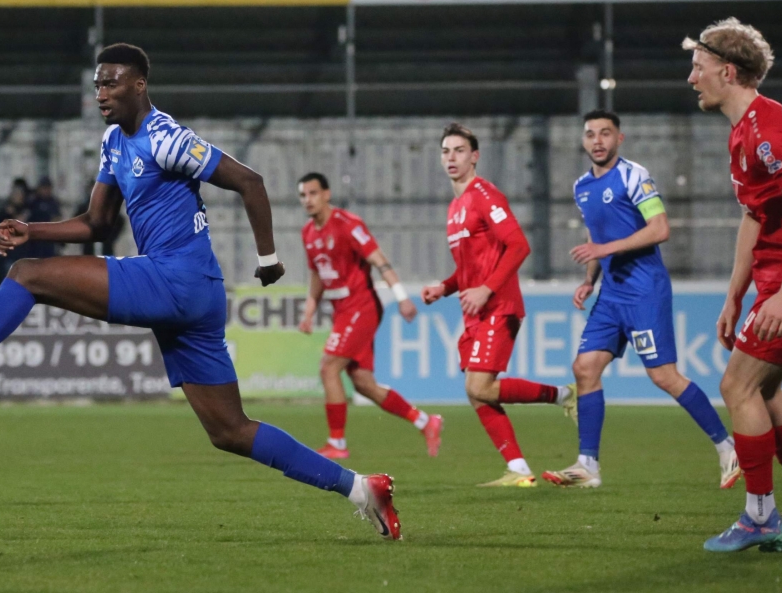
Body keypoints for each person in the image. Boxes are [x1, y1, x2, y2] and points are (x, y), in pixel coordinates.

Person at [0, 43, 402, 540]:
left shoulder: (167, 136)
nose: (101, 93)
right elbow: (98, 223)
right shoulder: (113, 142)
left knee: (27, 276)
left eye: (112, 83)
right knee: (230, 430)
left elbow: (250, 181)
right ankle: (362, 488)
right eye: (97, 85)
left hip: (179, 279)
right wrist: (35, 230)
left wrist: (268, 259)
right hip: (190, 294)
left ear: (140, 85)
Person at [542, 111, 739, 489]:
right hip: (611, 294)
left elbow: (660, 228)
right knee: (584, 368)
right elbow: (596, 235)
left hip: (644, 290)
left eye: (605, 133)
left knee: (663, 375)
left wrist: (605, 249)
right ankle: (587, 465)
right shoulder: (582, 186)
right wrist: (589, 280)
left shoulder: (634, 175)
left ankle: (726, 446)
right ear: (583, 141)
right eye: (590, 134)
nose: (597, 140)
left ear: (619, 138)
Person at [680, 18, 782, 552]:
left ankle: (760, 516)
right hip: (773, 279)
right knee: (764, 392)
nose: (691, 78)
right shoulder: (743, 130)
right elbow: (755, 216)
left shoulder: (768, 132)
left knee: (738, 387)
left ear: (727, 72)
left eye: (698, 67)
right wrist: (734, 295)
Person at [421, 123, 576, 488]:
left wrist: (486, 290)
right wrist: (444, 288)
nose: (451, 157)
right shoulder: (455, 207)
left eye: (459, 150)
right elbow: (469, 269)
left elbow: (519, 245)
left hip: (499, 305)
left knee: (480, 386)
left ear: (474, 156)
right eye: (446, 151)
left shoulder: (484, 195)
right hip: (476, 311)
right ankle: (519, 470)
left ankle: (566, 395)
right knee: (475, 391)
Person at [296, 172, 443, 459]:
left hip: (361, 306)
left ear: (326, 194)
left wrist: (401, 297)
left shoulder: (348, 224)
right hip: (342, 310)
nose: (307, 200)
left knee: (328, 368)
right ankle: (426, 422)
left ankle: (337, 443)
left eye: (313, 193)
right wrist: (310, 310)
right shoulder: (308, 233)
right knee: (363, 383)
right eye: (303, 195)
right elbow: (317, 273)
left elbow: (379, 260)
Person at [74, 178, 125, 256]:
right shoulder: (84, 208)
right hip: (89, 248)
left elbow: (119, 221)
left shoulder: (109, 206)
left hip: (105, 247)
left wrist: (111, 237)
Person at [26, 176, 62, 259]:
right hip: (34, 241)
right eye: (44, 188)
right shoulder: (33, 202)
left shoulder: (53, 202)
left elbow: (57, 219)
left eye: (48, 188)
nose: (46, 191)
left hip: (49, 240)